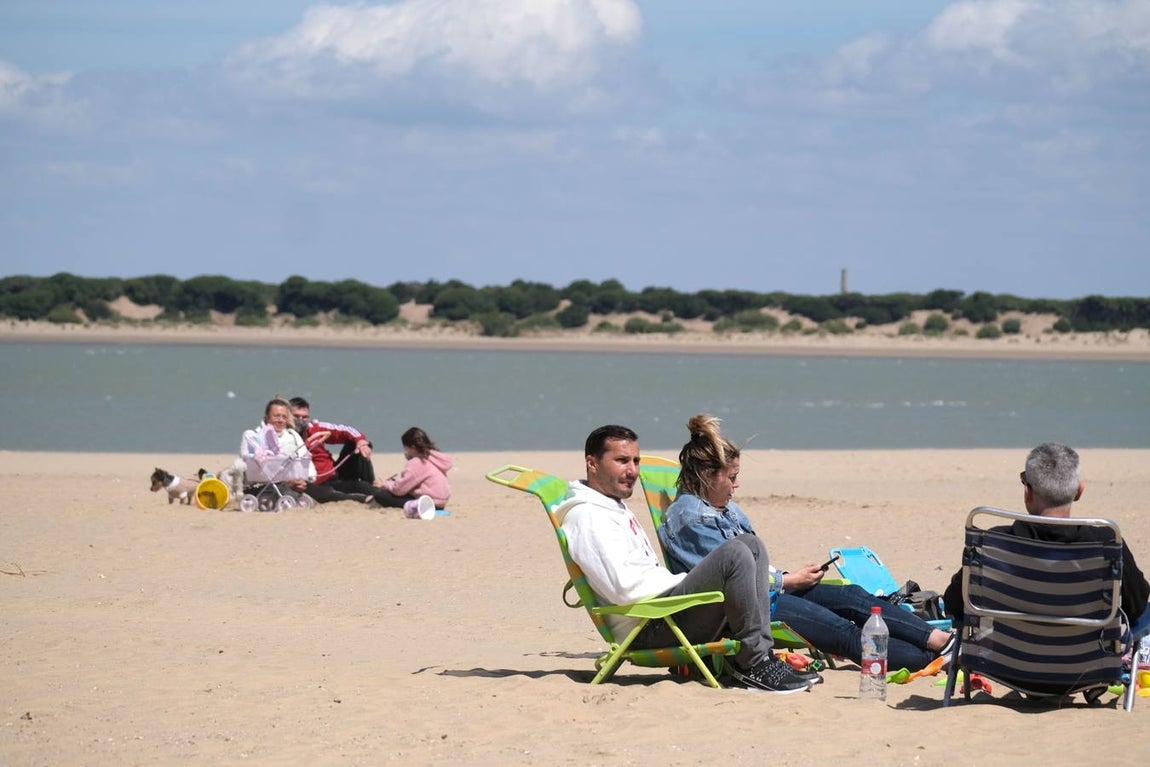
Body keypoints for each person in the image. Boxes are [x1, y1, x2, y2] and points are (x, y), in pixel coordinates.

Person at [659, 414, 955, 672]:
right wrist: (789, 581)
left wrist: (791, 579)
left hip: (771, 591)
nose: (737, 486)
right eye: (732, 478)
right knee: (843, 632)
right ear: (707, 475)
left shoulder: (723, 507)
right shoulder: (691, 520)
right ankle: (932, 658)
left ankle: (939, 640)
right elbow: (734, 581)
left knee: (853, 596)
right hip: (747, 609)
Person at [557, 424, 817, 693]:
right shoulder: (588, 517)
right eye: (621, 461)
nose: (632, 470)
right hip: (648, 626)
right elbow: (622, 588)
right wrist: (684, 583)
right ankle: (751, 663)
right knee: (735, 554)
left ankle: (762, 656)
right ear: (592, 463)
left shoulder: (611, 506)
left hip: (664, 612)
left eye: (635, 461)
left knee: (750, 545)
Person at [943, 443, 1150, 640]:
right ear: (1079, 491)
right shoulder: (1106, 543)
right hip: (1087, 665)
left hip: (1010, 664)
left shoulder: (994, 544)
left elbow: (955, 602)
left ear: (1028, 492)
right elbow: (1137, 606)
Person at [289, 396, 379, 504]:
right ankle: (365, 497)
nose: (300, 421)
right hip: (312, 482)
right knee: (336, 492)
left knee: (358, 445)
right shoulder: (283, 437)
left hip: (334, 475)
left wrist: (360, 441)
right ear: (288, 416)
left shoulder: (315, 428)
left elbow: (346, 430)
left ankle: (373, 484)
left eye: (305, 417)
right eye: (296, 416)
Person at [239, 397, 316, 495]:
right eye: (276, 416)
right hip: (262, 485)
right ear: (267, 418)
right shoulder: (252, 436)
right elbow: (250, 467)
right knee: (287, 492)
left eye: (284, 417)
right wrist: (288, 481)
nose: (280, 420)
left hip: (295, 483)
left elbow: (305, 458)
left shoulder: (293, 435)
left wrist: (306, 479)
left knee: (325, 493)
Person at [371, 427, 453, 514]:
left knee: (380, 495)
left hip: (428, 503)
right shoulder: (433, 458)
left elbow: (399, 489)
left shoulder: (417, 462)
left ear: (413, 447)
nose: (406, 452)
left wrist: (385, 484)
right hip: (441, 503)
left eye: (406, 449)